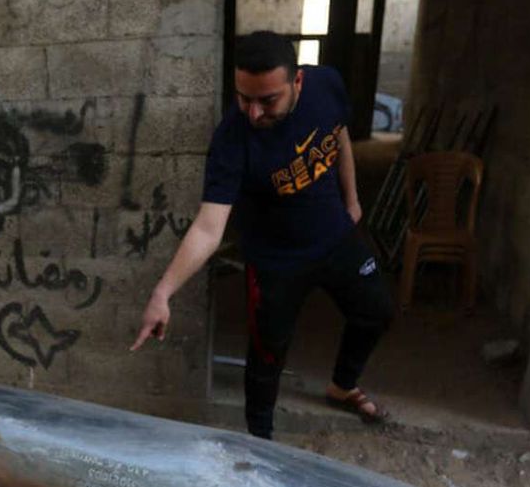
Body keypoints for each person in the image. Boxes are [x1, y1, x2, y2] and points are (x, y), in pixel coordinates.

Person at [129, 31, 394, 440]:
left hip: (335, 237)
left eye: (267, 100)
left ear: (297, 81)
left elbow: (338, 134)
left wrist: (353, 199)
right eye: (243, 98)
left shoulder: (326, 84)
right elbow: (208, 227)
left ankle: (342, 385)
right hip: (275, 263)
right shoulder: (232, 138)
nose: (253, 113)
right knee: (267, 358)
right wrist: (162, 293)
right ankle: (261, 446)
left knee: (376, 311)